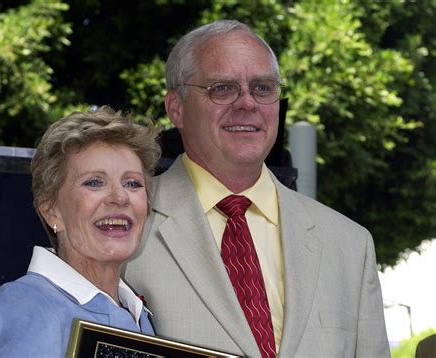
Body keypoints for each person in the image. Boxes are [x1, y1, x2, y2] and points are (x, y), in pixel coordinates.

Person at [123, 19, 390, 357]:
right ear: (176, 107)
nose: (247, 103)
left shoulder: (350, 245)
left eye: (262, 88)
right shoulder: (122, 221)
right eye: (222, 88)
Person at [0, 106, 161, 357]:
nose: (120, 197)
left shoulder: (139, 315)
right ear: (51, 211)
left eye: (133, 183)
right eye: (94, 182)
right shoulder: (27, 305)